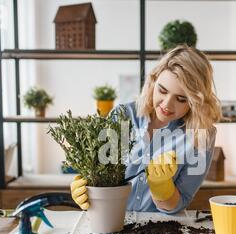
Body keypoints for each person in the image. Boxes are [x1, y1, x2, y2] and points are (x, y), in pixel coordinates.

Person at [71, 44, 222, 214]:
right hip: (111, 218)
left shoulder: (201, 135)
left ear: (196, 101)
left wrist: (162, 189)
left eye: (181, 99)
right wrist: (88, 190)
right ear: (153, 81)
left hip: (160, 229)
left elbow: (182, 201)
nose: (166, 105)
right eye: (162, 90)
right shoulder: (123, 116)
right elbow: (102, 175)